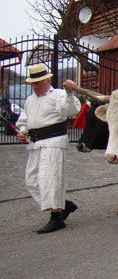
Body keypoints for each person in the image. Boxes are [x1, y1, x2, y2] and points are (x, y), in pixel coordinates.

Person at [16, 64, 81, 234]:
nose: (35, 86)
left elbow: (70, 110)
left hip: (53, 142)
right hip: (35, 144)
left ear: (47, 80)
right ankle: (64, 205)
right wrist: (22, 132)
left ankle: (56, 218)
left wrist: (69, 93)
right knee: (32, 180)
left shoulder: (58, 95)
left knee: (50, 179)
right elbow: (24, 120)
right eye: (33, 83)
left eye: (38, 83)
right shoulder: (30, 100)